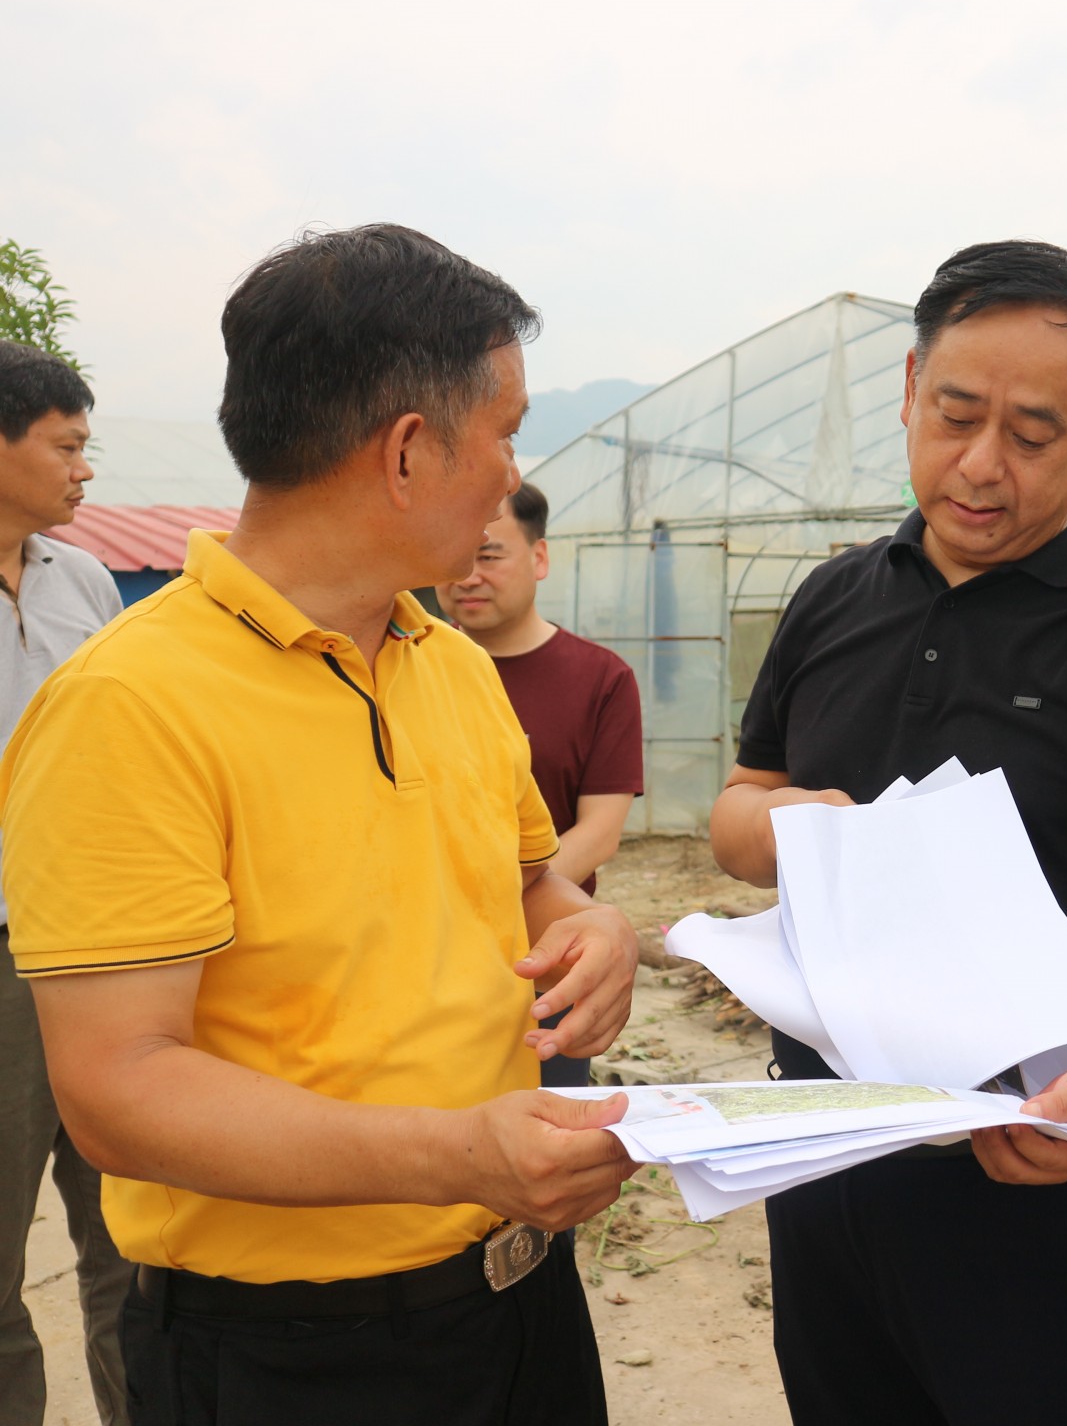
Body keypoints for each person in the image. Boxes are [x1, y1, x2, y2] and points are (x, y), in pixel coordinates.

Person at [0, 225, 643, 1426]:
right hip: (292, 1354)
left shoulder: (446, 664)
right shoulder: (127, 708)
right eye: (504, 434)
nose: (513, 474)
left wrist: (586, 936)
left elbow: (530, 886)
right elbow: (118, 1089)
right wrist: (464, 1154)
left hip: (519, 1298)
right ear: (408, 451)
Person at [708, 239, 1067, 1425]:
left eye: (1031, 435)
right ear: (909, 388)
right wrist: (793, 827)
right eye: (954, 415)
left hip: (1045, 1174)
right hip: (833, 1159)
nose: (979, 466)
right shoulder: (836, 597)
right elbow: (738, 810)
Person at [0, 342, 132, 1426]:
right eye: (67, 446)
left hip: (100, 949)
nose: (84, 470)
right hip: (2, 958)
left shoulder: (83, 581)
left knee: (129, 1236)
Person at [436, 483, 646, 1076]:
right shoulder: (402, 666)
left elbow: (599, 833)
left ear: (540, 558)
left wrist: (486, 906)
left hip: (545, 957)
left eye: (490, 555)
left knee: (548, 1127)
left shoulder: (600, 678)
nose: (468, 575)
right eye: (456, 554)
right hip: (427, 967)